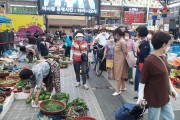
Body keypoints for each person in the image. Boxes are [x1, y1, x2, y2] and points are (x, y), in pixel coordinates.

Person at [137, 31, 178, 120]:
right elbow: (142, 80)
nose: (168, 47)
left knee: (170, 118)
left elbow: (166, 76)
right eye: (168, 44)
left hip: (164, 96)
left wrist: (172, 90)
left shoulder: (163, 57)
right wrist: (140, 97)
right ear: (163, 45)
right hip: (153, 98)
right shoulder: (149, 61)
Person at [134, 26, 150, 99]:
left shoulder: (145, 43)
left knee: (140, 79)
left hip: (142, 64)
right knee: (139, 78)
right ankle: (140, 94)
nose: (136, 33)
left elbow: (143, 54)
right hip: (140, 63)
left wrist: (137, 48)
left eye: (137, 32)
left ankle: (141, 95)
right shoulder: (143, 42)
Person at [113, 28, 128, 96]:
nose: (115, 35)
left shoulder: (122, 41)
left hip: (120, 60)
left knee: (118, 74)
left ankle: (118, 90)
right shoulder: (120, 40)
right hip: (119, 60)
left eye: (115, 34)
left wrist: (123, 60)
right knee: (121, 74)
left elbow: (125, 51)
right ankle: (123, 87)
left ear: (117, 34)